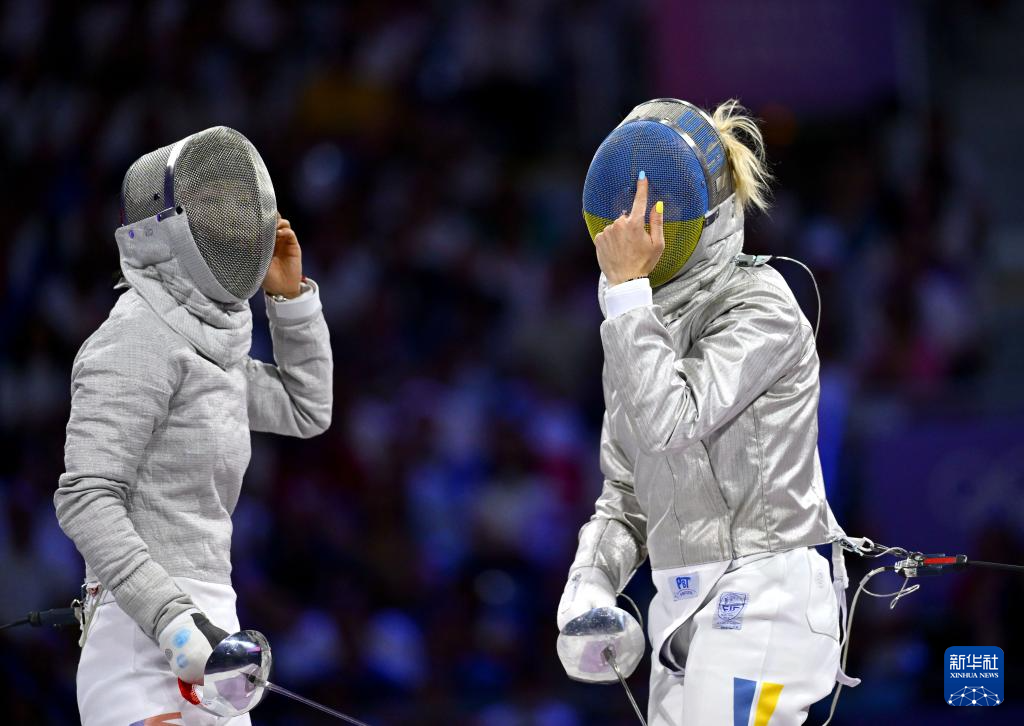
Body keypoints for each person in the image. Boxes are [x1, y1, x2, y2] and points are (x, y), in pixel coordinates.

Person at [557, 99, 842, 725]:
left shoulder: (761, 308)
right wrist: (590, 587)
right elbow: (626, 492)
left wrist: (626, 299)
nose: (633, 226)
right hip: (679, 608)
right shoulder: (634, 323)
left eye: (654, 211)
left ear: (699, 217)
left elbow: (672, 423)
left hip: (764, 602)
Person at [54, 126, 333, 726]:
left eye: (243, 207)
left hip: (215, 631)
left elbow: (306, 408)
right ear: (174, 227)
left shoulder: (211, 344)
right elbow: (85, 498)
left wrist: (290, 301)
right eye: (217, 207)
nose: (242, 224)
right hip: (143, 637)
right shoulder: (135, 338)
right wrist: (172, 620)